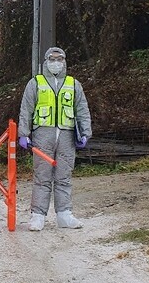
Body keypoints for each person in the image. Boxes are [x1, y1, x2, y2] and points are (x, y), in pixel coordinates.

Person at [17, 46, 93, 231]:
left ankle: (64, 215)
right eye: (52, 59)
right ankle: (38, 216)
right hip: (43, 133)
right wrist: (23, 134)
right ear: (46, 61)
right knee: (42, 175)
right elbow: (26, 109)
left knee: (64, 176)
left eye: (60, 59)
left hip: (67, 134)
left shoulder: (73, 84)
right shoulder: (35, 83)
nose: (56, 63)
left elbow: (82, 109)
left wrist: (85, 132)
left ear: (65, 62)